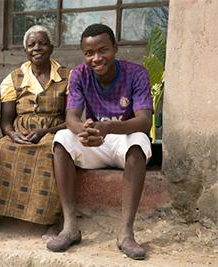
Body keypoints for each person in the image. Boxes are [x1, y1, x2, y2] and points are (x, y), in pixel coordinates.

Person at [47, 24, 153, 260]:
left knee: (140, 141)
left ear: (115, 48)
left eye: (102, 50)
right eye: (89, 53)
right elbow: (71, 118)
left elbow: (144, 121)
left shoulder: (136, 74)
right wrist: (83, 130)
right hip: (96, 140)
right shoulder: (79, 75)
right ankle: (70, 226)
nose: (96, 58)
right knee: (62, 137)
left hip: (123, 140)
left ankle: (126, 232)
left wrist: (108, 128)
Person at [0, 25, 70, 239]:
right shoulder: (13, 78)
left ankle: (50, 220)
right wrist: (12, 135)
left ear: (51, 47)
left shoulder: (67, 77)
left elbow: (72, 119)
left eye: (42, 43)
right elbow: (6, 122)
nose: (37, 48)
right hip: (20, 132)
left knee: (49, 154)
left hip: (55, 131)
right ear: (25, 50)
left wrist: (46, 131)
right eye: (31, 44)